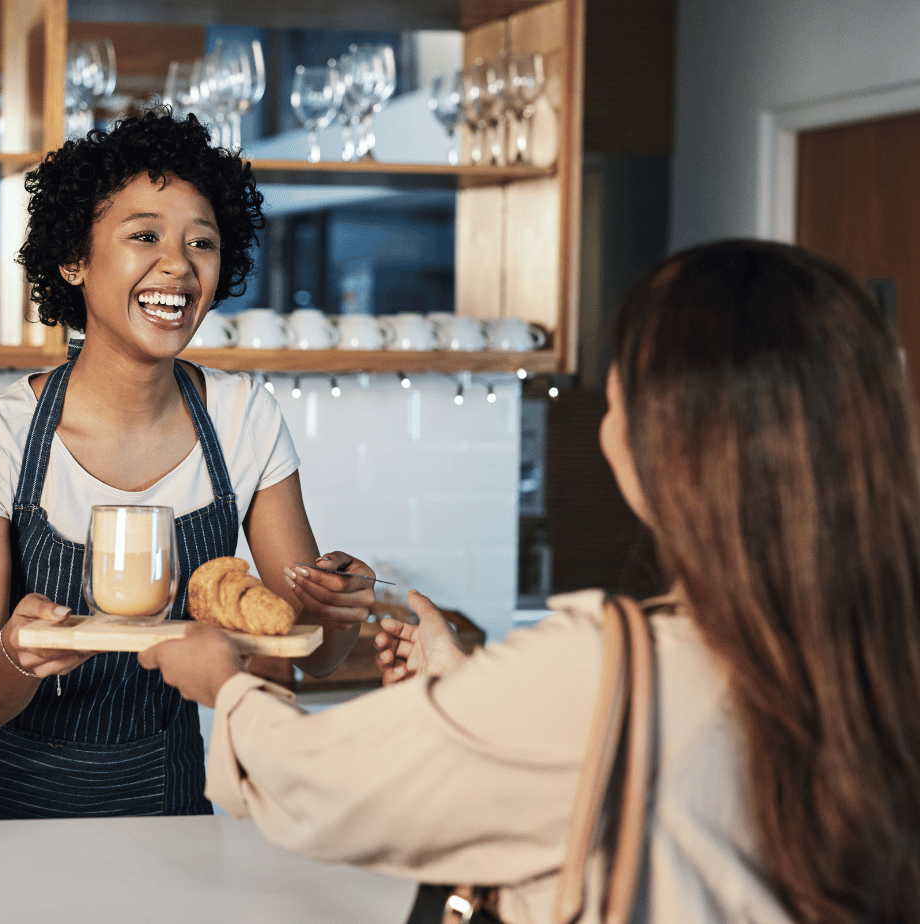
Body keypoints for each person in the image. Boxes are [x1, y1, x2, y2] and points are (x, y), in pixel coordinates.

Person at [142, 239, 920, 922]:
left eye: (619, 402)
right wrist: (473, 686)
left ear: (672, 450)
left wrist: (228, 690)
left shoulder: (606, 667)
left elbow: (326, 786)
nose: (609, 419)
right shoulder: (878, 649)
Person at [0, 110, 370, 821]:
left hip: (164, 800)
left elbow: (306, 652)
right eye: (144, 235)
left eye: (202, 243)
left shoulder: (243, 419)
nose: (179, 267)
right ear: (74, 259)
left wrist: (339, 609)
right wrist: (18, 653)